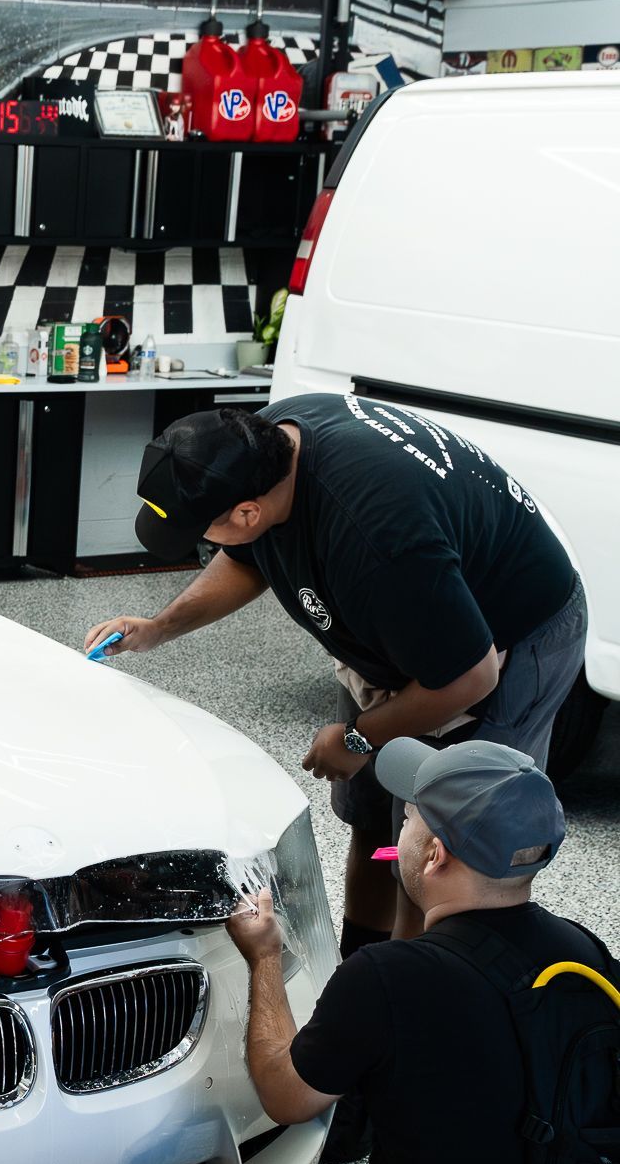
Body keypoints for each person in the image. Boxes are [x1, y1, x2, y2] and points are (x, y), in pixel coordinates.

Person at [138, 738, 612, 1164]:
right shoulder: (583, 956)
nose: (401, 826)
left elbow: (286, 1094)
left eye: (412, 816)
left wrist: (264, 958)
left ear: (435, 854)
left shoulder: (388, 980)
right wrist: (412, 901)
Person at [87, 398, 586, 957]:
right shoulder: (267, 443)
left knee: (436, 853)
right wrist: (157, 627)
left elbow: (470, 677)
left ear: (247, 511)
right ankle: (360, 963)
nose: (208, 543)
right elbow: (246, 557)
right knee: (379, 830)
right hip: (409, 635)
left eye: (200, 531)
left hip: (503, 642)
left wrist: (359, 737)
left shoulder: (378, 537)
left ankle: (407, 997)